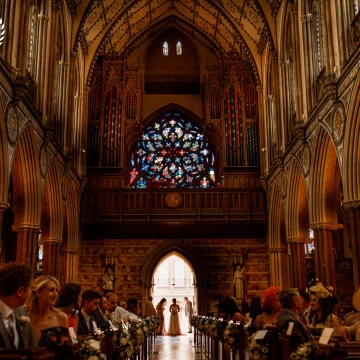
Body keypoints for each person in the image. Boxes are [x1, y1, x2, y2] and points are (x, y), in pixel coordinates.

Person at [0, 262, 38, 349]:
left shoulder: (22, 313)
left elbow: (33, 347)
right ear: (20, 291)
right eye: (30, 289)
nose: (30, 293)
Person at [26, 276, 68, 348]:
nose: (56, 294)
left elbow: (65, 350)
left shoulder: (61, 317)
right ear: (38, 292)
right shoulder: (25, 316)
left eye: (57, 291)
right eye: (51, 290)